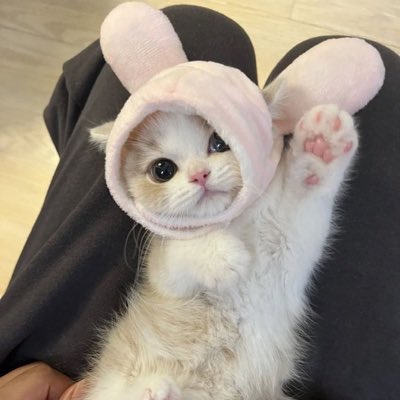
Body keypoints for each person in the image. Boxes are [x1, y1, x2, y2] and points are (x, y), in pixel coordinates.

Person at [0, 4, 399, 400]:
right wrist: (199, 253)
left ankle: (306, 184)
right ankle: (309, 184)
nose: (197, 174)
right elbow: (172, 274)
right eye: (163, 170)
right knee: (279, 269)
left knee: (281, 261)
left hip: (159, 371)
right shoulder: (175, 242)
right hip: (232, 378)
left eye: (218, 144)